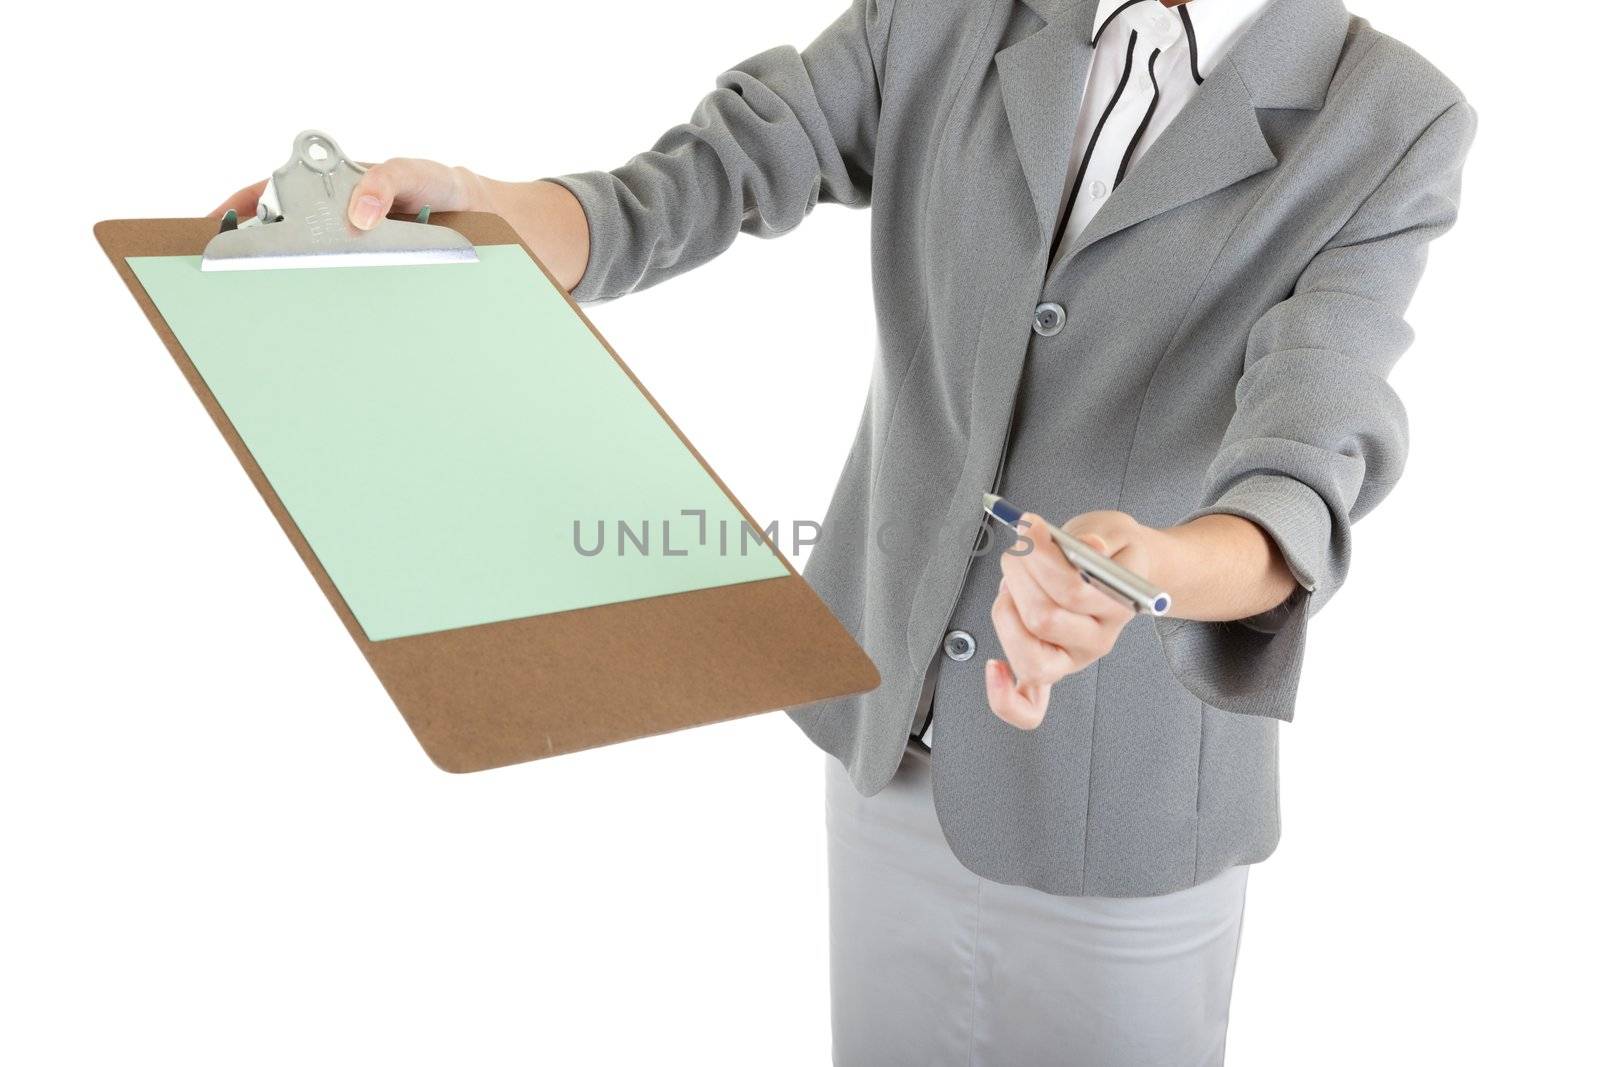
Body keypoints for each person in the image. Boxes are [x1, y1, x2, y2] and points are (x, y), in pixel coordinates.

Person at [217, 0, 1475, 1061]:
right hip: (887, 747)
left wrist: (1158, 572)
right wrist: (503, 217)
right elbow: (725, 163)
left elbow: (1317, 421)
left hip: (1127, 808)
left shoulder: (1391, 116)